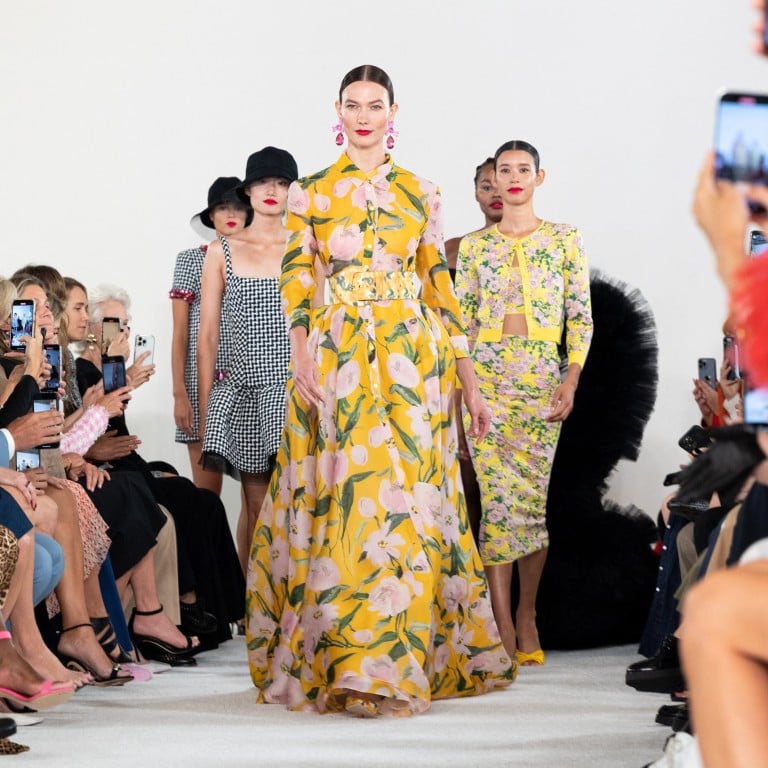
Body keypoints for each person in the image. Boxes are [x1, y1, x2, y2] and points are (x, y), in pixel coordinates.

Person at [245, 64, 515, 718]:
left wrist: (471, 386)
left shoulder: (421, 192)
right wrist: (302, 355)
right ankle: (358, 666)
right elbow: (297, 283)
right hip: (336, 361)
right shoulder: (311, 193)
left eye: (375, 105)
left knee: (410, 505)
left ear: (394, 112)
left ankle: (398, 660)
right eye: (352, 104)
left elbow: (440, 292)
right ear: (336, 111)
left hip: (412, 364)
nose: (364, 115)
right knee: (352, 503)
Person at [455, 140, 593, 666]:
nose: (513, 178)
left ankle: (529, 614)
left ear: (540, 177)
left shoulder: (564, 240)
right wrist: (468, 390)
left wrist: (571, 379)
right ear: (492, 177)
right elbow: (459, 326)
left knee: (530, 505)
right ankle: (501, 623)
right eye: (503, 170)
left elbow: (580, 317)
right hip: (486, 384)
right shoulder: (474, 247)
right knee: (495, 504)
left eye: (523, 169)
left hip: (540, 378)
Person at [198, 148, 296, 576]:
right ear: (249, 191)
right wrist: (204, 407)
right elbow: (207, 335)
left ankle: (300, 605)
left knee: (299, 504)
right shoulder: (223, 250)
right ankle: (263, 608)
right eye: (262, 183)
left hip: (295, 390)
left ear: (293, 191)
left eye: (281, 183)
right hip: (243, 392)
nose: (271, 190)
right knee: (258, 508)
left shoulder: (305, 246)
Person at [171, 177, 252, 494]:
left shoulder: (260, 264)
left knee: (255, 491)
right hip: (199, 385)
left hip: (247, 383)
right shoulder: (191, 260)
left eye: (238, 206)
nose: (231, 214)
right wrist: (180, 393)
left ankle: (247, 548)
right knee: (207, 496)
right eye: (222, 207)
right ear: (211, 215)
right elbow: (180, 334)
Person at [444, 157, 503, 279]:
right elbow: (424, 295)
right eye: (487, 188)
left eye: (503, 186)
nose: (496, 194)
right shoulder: (450, 247)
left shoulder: (536, 248)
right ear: (476, 193)